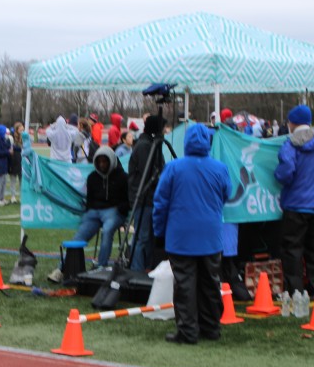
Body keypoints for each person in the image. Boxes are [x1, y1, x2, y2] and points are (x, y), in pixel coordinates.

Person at [153, 124, 231, 344]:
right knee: (210, 282)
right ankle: (211, 327)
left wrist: (159, 231)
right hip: (210, 235)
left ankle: (188, 330)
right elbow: (227, 194)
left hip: (181, 236)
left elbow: (160, 203)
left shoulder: (173, 168)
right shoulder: (220, 168)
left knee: (184, 285)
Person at [274, 104, 314, 294]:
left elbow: (285, 174)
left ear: (292, 123)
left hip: (295, 205)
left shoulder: (289, 146)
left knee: (292, 250)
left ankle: (295, 289)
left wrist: (276, 174)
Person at [72, 146, 128, 269]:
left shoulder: (123, 177)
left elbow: (128, 199)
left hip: (114, 211)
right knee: (79, 236)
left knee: (107, 231)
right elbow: (89, 199)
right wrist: (89, 211)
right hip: (94, 212)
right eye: (99, 161)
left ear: (111, 161)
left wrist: (121, 209)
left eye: (105, 161)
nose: (102, 164)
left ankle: (101, 266)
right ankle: (65, 267)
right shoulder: (92, 177)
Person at [127, 115, 168, 271]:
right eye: (163, 128)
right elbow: (149, 173)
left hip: (150, 199)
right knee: (142, 237)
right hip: (143, 199)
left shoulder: (150, 144)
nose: (165, 132)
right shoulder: (144, 146)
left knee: (150, 238)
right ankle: (137, 270)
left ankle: (147, 268)